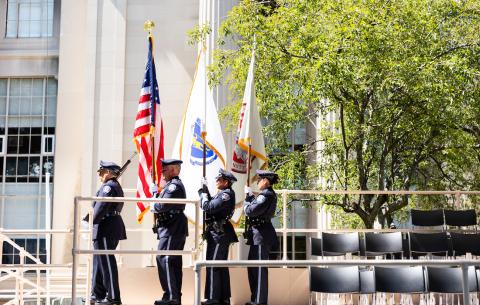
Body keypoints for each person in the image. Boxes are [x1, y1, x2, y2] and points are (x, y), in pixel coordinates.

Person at [150, 159, 188, 305]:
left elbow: (160, 206)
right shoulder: (169, 186)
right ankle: (173, 296)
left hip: (173, 227)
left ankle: (171, 296)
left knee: (165, 259)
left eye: (164, 170)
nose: (162, 172)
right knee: (171, 261)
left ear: (173, 170)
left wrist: (155, 196)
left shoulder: (174, 186)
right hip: (169, 227)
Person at [89, 161, 127, 305]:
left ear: (109, 173)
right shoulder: (109, 186)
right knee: (99, 262)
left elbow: (101, 207)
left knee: (107, 262)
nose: (99, 175)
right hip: (103, 226)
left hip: (106, 226)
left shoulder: (109, 187)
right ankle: (97, 294)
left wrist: (89, 220)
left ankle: (113, 297)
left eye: (101, 172)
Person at [199, 169, 239, 305]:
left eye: (219, 179)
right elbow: (210, 205)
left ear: (226, 182)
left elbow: (208, 207)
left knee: (213, 264)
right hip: (218, 232)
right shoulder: (222, 193)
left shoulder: (226, 195)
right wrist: (204, 191)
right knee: (220, 265)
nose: (216, 181)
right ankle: (223, 297)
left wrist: (204, 195)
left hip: (219, 233)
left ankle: (213, 297)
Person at [243, 170, 279, 305]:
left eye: (260, 179)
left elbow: (251, 211)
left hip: (261, 236)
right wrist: (251, 196)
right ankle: (255, 299)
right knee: (253, 269)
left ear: (266, 181)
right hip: (257, 235)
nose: (257, 182)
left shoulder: (266, 195)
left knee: (258, 269)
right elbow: (256, 206)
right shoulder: (265, 195)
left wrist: (247, 200)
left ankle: (259, 301)